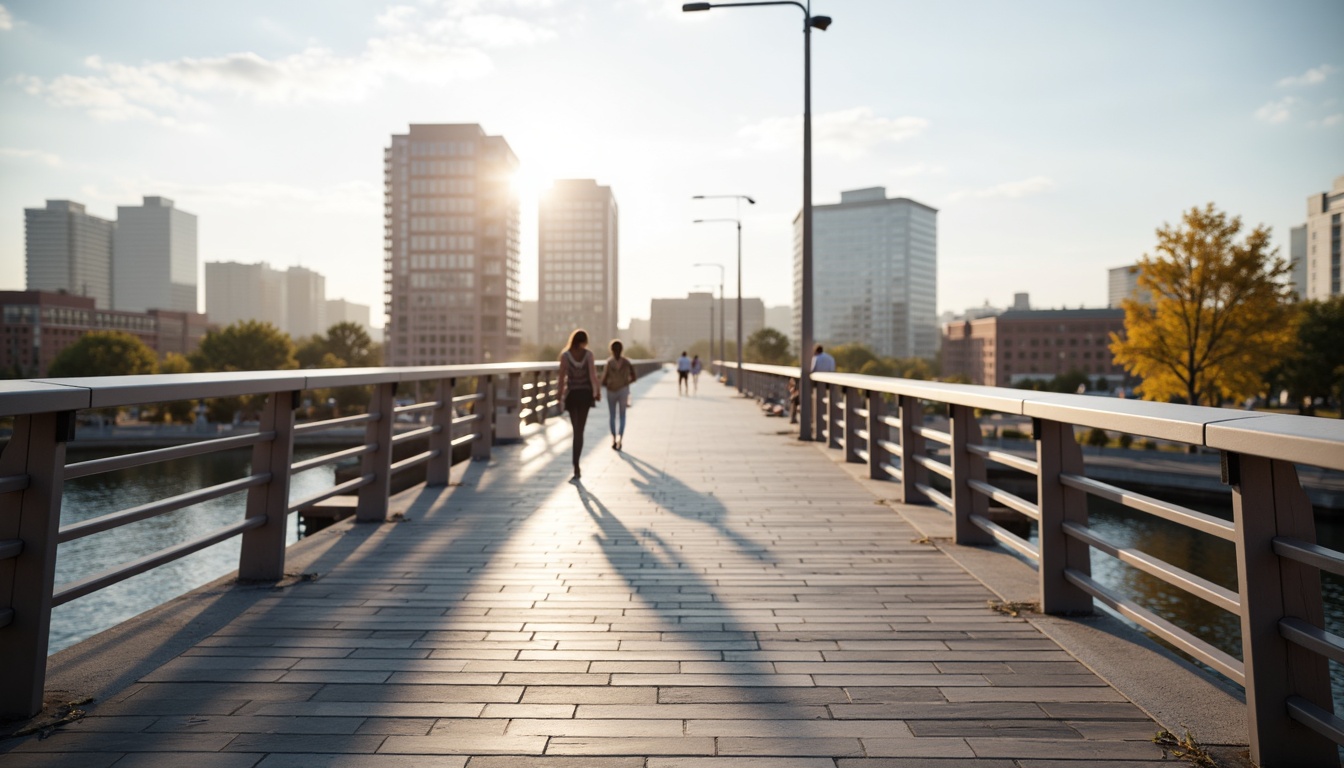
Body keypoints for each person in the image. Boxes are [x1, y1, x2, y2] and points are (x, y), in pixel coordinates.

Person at [558, 328, 600, 480]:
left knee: (575, 428)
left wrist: (558, 396)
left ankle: (575, 463)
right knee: (579, 431)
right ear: (584, 341)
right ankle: (576, 465)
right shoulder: (588, 355)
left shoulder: (565, 356)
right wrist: (597, 391)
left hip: (572, 395)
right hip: (585, 395)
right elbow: (593, 375)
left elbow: (561, 377)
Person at [602, 339, 637, 451]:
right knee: (622, 416)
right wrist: (626, 383)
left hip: (611, 391)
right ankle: (620, 439)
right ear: (622, 349)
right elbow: (634, 377)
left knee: (612, 416)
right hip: (623, 390)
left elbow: (603, 380)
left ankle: (613, 439)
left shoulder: (609, 362)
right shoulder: (627, 362)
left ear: (611, 350)